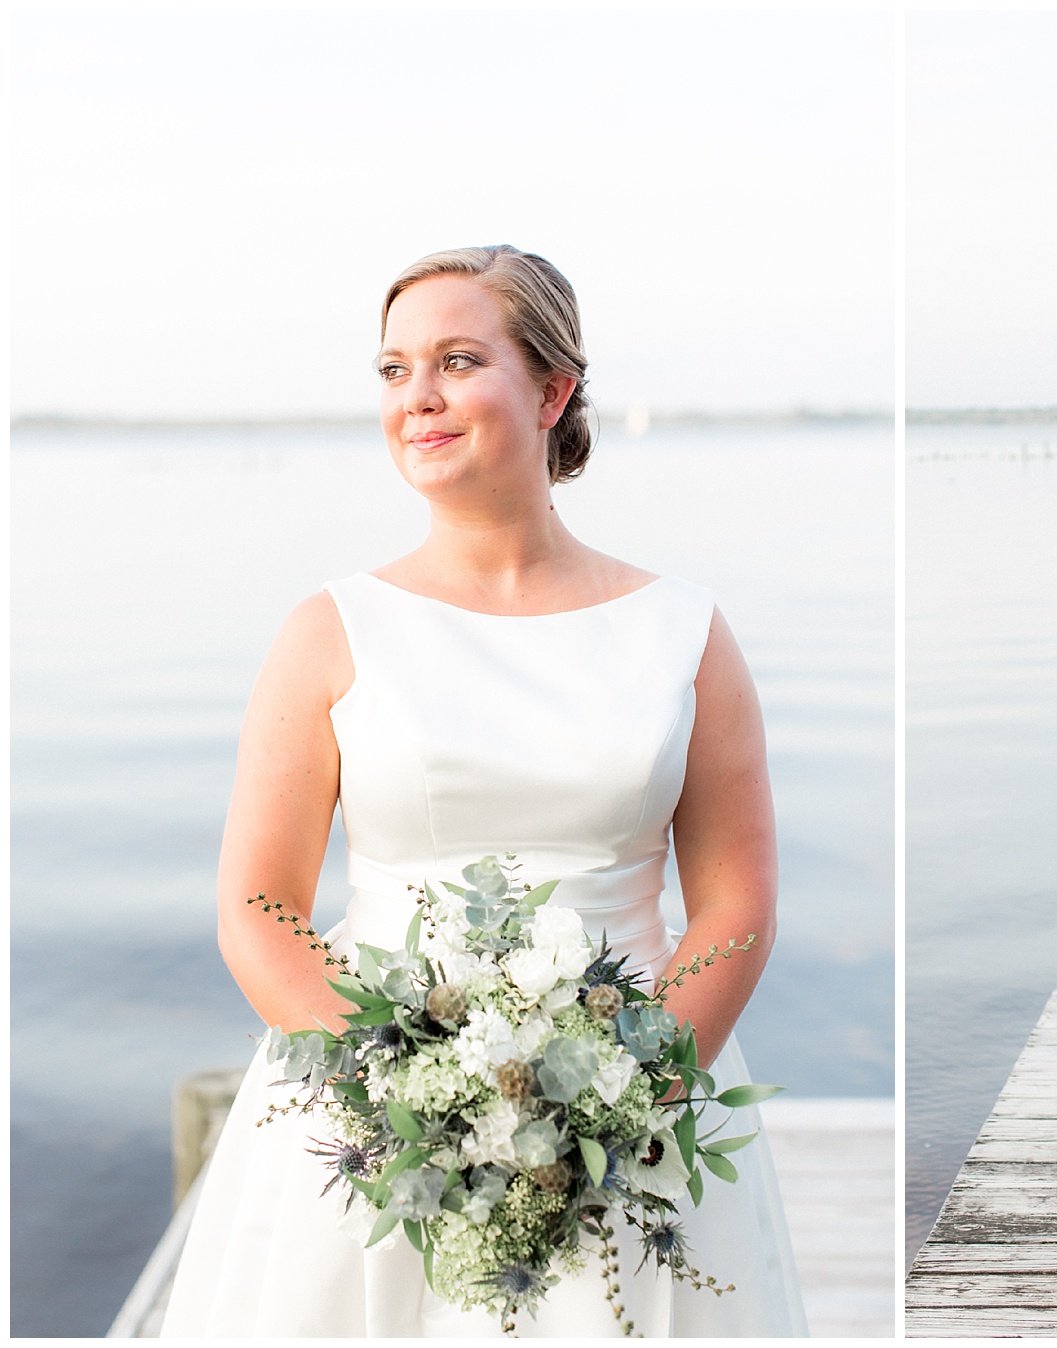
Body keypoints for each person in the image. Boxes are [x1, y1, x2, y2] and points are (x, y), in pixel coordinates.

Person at [161, 246, 809, 1336]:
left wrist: (628, 1092)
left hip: (632, 1114)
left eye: (458, 361)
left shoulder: (684, 632)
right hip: (369, 1125)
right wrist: (418, 1101)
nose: (417, 396)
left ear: (553, 390)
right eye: (394, 368)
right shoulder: (329, 630)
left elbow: (736, 909)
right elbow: (258, 908)